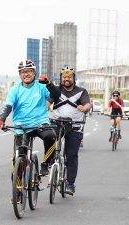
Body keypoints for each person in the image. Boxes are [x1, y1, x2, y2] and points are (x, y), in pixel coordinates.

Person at [0, 59, 57, 176]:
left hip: (40, 123)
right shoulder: (15, 90)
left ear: (34, 73)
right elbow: (8, 106)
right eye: (22, 72)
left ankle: (46, 163)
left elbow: (56, 96)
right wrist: (1, 120)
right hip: (21, 126)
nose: (26, 74)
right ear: (19, 75)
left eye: (29, 71)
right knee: (18, 159)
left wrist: (50, 85)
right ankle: (17, 190)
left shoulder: (42, 87)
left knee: (51, 136)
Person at [38, 66, 92, 195]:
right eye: (64, 77)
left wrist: (84, 108)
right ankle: (47, 162)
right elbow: (47, 102)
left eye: (69, 77)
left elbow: (88, 104)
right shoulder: (56, 91)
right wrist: (43, 110)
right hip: (57, 123)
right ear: (61, 78)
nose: (66, 79)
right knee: (49, 138)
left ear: (74, 78)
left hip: (75, 126)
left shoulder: (82, 91)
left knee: (72, 155)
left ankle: (70, 184)